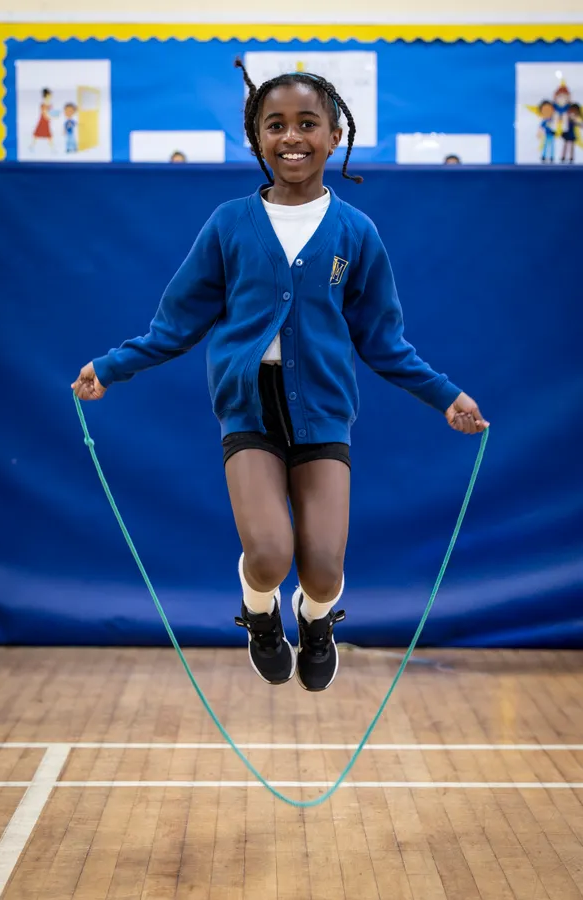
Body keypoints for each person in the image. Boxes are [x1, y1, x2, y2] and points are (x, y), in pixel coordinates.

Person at [72, 60, 489, 693]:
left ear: (332, 135)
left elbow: (384, 341)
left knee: (321, 570)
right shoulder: (229, 224)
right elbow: (175, 325)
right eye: (276, 125)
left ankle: (315, 620)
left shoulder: (357, 232)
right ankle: (261, 615)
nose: (291, 137)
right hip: (249, 409)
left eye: (307, 124)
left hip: (322, 411)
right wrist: (111, 367)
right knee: (269, 555)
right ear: (257, 137)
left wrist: (446, 397)